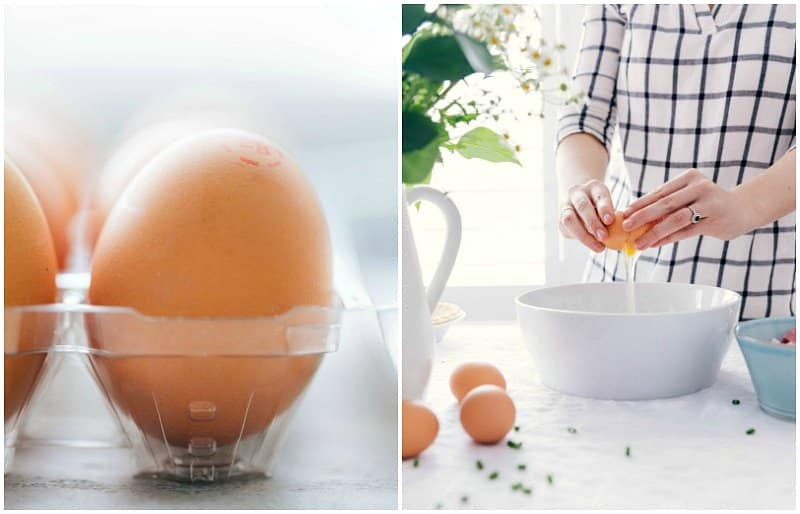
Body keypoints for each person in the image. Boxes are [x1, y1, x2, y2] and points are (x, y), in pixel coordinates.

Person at [556, 4, 796, 320]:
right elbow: (585, 116)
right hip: (618, 294)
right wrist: (579, 194)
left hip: (756, 303)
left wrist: (743, 207)